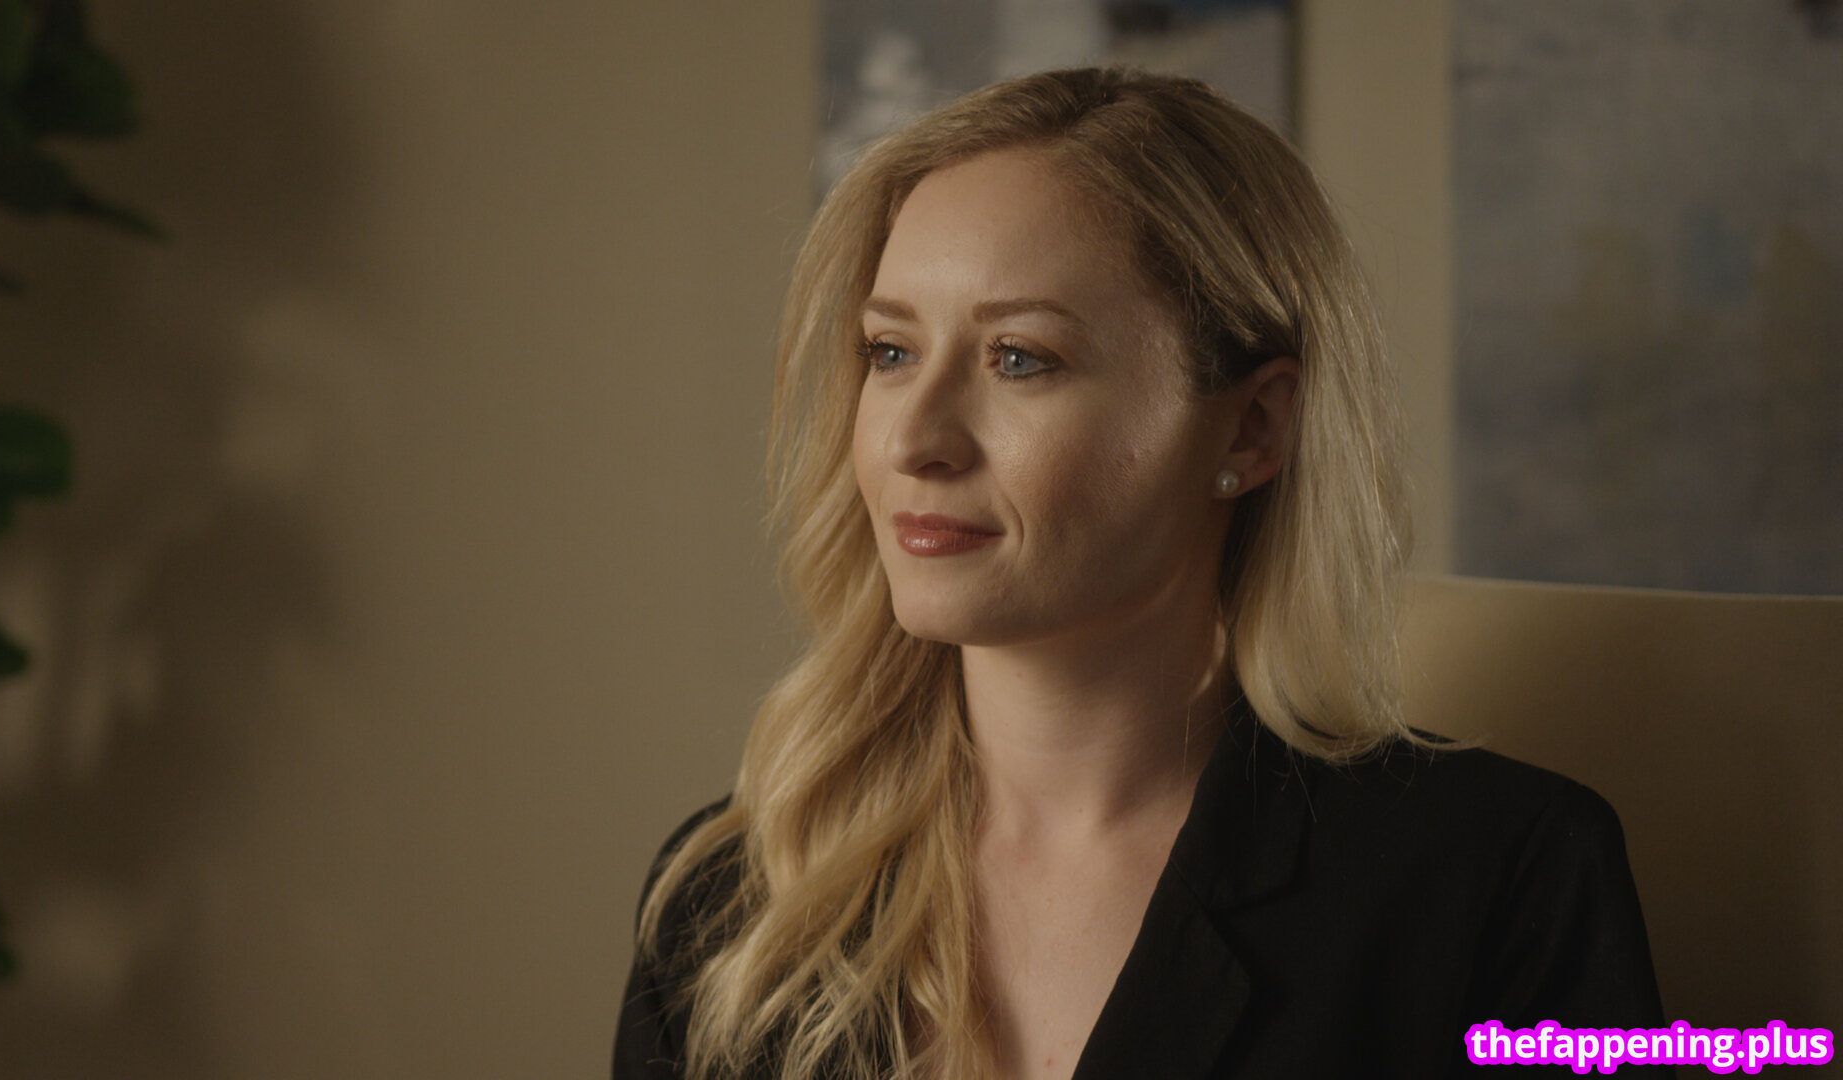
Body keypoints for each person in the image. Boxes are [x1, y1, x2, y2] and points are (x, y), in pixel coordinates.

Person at [613, 67, 1668, 1079]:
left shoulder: (1503, 878)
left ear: (1252, 429)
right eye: (890, 353)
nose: (912, 441)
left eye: (1019, 358)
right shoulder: (728, 906)